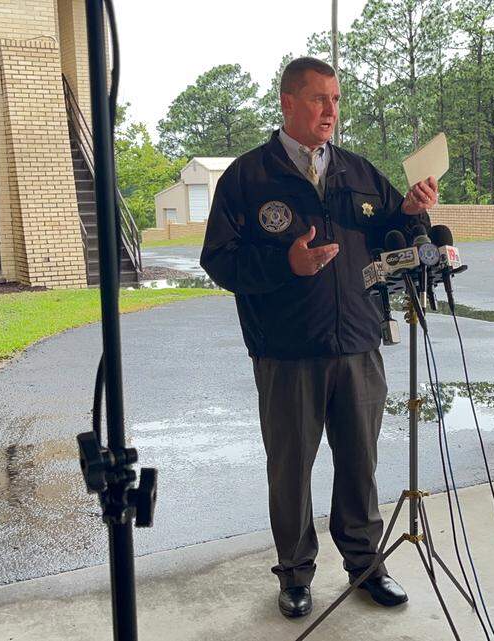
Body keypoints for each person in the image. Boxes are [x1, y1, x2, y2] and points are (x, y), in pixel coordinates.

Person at [199, 56, 438, 619]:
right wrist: (288, 264)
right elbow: (220, 261)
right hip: (286, 352)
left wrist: (410, 211)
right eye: (317, 99)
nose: (330, 110)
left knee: (360, 462)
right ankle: (296, 574)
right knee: (291, 468)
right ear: (286, 102)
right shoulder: (248, 178)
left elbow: (391, 238)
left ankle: (365, 564)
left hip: (358, 343)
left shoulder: (358, 172)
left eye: (335, 99)